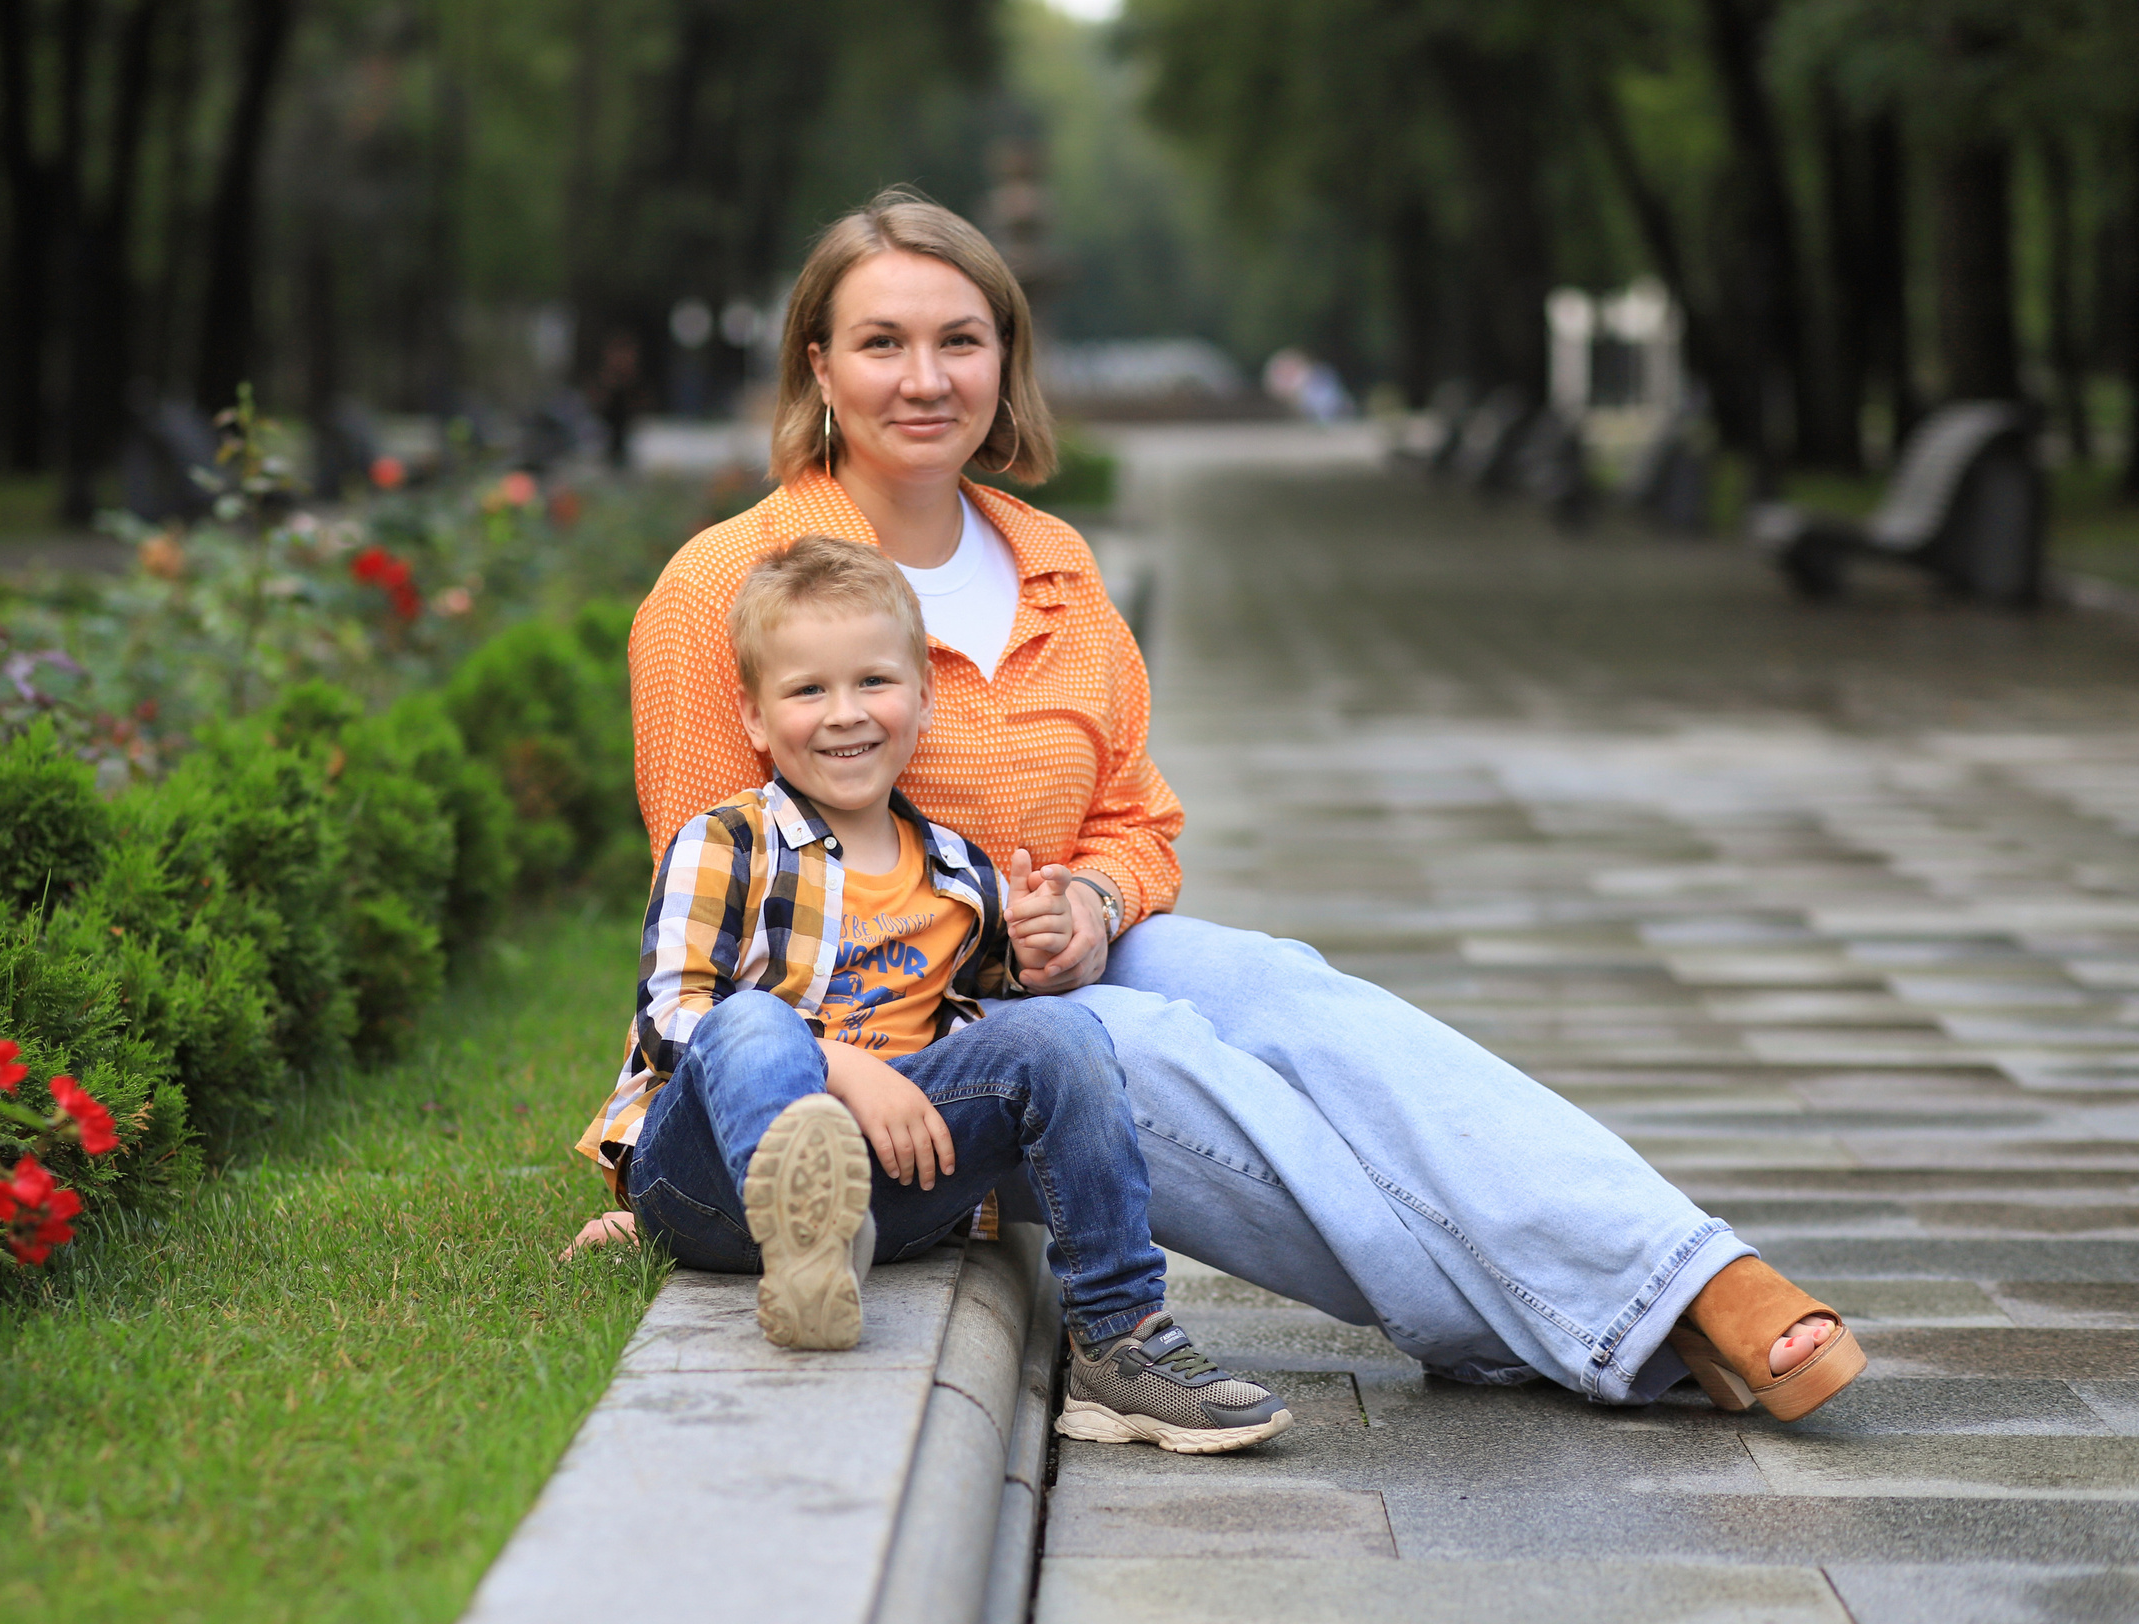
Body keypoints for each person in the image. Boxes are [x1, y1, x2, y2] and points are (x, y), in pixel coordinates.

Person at [579, 189, 1865, 1426]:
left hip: (1049, 960)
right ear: (819, 366)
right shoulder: (723, 592)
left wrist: (1090, 901)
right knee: (1161, 1054)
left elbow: (1138, 820)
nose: (925, 378)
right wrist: (688, 1159)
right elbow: (713, 917)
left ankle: (1681, 1269)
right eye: (883, 343)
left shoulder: (1054, 564)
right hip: (908, 1046)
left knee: (1285, 989)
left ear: (1004, 360)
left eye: (959, 340)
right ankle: (1611, 1315)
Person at [578, 535, 1294, 1453]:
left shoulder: (958, 873)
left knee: (1063, 1037)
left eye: (874, 682)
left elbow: (1004, 1009)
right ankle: (800, 1229)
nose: (846, 714)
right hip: (715, 1172)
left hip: (893, 1192)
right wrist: (839, 1068)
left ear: (923, 699)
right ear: (755, 718)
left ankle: (1119, 1343)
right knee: (749, 1020)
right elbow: (675, 1019)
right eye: (808, 691)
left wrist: (1041, 936)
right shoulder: (725, 844)